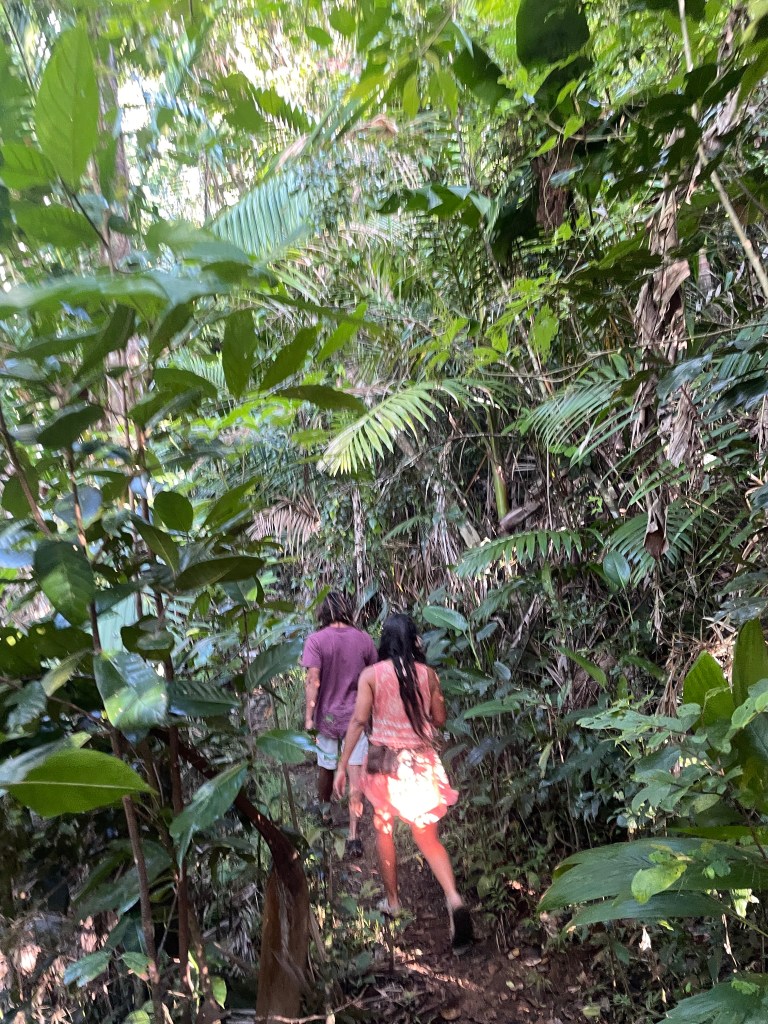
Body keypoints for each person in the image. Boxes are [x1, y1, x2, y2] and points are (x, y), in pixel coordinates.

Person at [333, 613, 474, 950]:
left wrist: (342, 766)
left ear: (384, 641)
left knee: (384, 831)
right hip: (421, 766)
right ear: (415, 641)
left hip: (385, 769)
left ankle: (393, 901)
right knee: (428, 839)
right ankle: (454, 898)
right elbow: (439, 718)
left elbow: (358, 722)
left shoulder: (371, 676)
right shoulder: (428, 675)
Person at [301, 591, 378, 857]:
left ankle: (325, 815)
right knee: (356, 774)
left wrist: (309, 718)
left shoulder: (316, 640)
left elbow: (313, 680)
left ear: (323, 612)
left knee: (325, 768)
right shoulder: (364, 639)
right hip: (356, 717)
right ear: (348, 610)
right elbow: (374, 675)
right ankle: (354, 836)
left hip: (326, 717)